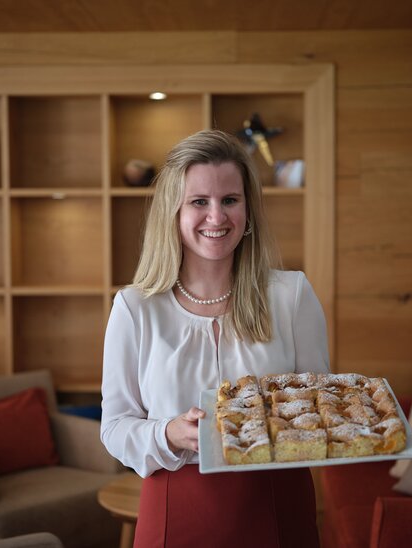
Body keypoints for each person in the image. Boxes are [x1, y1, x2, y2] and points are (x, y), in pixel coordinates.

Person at [100, 129, 330, 547]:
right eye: (199, 202)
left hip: (277, 502)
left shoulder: (292, 295)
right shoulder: (134, 308)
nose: (216, 217)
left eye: (230, 200)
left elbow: (319, 405)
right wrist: (169, 433)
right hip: (174, 505)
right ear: (174, 210)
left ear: (248, 210)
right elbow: (114, 427)